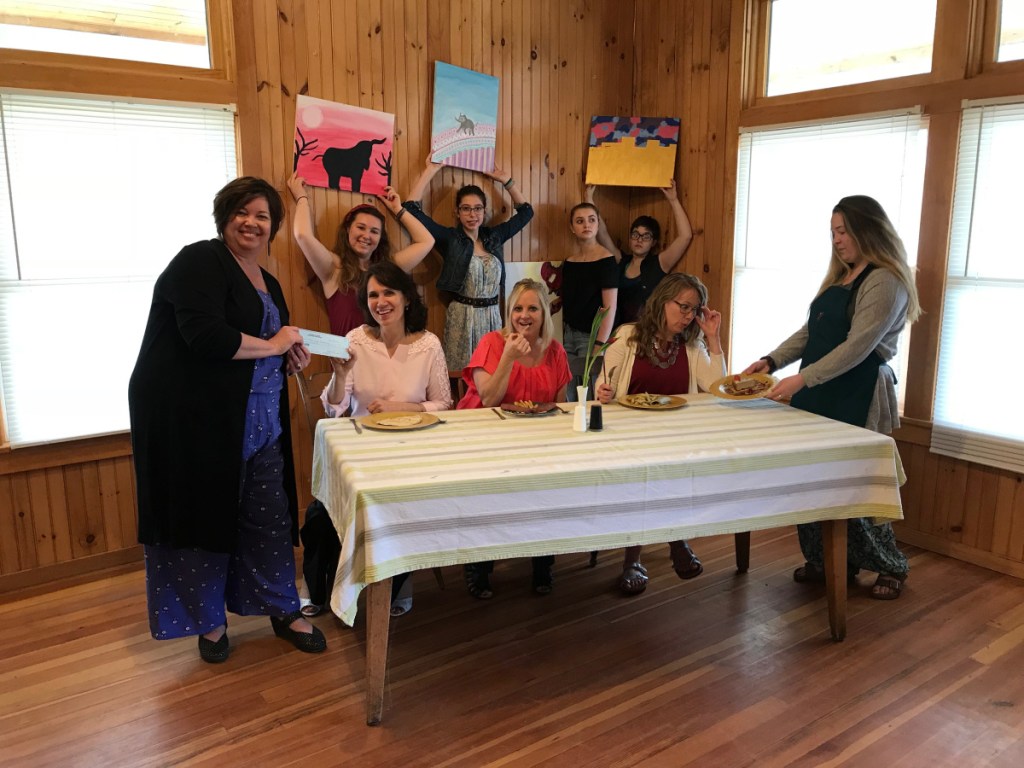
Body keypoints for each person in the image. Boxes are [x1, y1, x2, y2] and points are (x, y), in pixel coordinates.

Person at [129, 176, 326, 664]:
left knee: (270, 518)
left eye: (263, 216)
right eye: (243, 212)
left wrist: (288, 357)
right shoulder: (199, 260)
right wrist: (276, 345)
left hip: (260, 421)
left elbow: (269, 344)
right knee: (203, 517)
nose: (252, 223)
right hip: (198, 423)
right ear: (224, 217)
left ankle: (283, 608)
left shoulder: (269, 280)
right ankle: (209, 622)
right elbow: (206, 338)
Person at [743, 195, 921, 600]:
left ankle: (890, 565)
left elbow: (857, 347)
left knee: (855, 482)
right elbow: (811, 333)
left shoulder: (885, 279)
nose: (837, 240)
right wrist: (771, 361)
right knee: (813, 478)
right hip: (821, 388)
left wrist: (801, 379)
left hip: (855, 392)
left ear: (868, 230)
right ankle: (829, 561)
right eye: (833, 232)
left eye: (844, 231)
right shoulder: (841, 276)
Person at [321, 260, 453, 615]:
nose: (381, 301)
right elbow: (334, 408)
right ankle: (330, 589)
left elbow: (444, 403)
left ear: (407, 297)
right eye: (373, 294)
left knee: (403, 502)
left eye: (389, 292)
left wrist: (401, 406)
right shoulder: (355, 340)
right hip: (366, 447)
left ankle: (398, 582)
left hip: (416, 448)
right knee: (322, 511)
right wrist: (339, 375)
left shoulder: (429, 344)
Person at [596, 273, 726, 595]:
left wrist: (713, 338)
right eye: (683, 307)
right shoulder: (627, 336)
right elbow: (603, 384)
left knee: (665, 469)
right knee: (645, 473)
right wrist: (604, 392)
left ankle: (639, 558)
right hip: (627, 435)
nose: (687, 316)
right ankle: (663, 545)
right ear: (662, 300)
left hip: (674, 436)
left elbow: (716, 388)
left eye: (693, 310)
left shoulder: (693, 345)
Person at [456, 279, 572, 598]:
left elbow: (561, 406)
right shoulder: (493, 343)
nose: (524, 315)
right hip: (484, 436)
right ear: (508, 313)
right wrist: (508, 356)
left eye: (532, 308)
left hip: (534, 438)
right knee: (487, 490)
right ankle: (479, 564)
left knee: (549, 485)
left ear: (544, 313)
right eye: (517, 308)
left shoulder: (555, 351)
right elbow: (490, 398)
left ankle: (542, 561)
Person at [402, 156, 535, 372]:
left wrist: (505, 180)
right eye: (466, 209)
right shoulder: (450, 239)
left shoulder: (494, 236)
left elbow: (527, 212)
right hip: (462, 318)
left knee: (495, 372)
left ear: (484, 211)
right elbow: (410, 208)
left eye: (478, 208)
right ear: (457, 212)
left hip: (493, 315)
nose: (472, 214)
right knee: (462, 375)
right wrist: (431, 169)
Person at [287, 173, 435, 336]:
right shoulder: (334, 269)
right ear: (348, 229)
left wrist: (398, 210)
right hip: (347, 361)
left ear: (380, 238)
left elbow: (426, 241)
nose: (366, 235)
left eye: (374, 231)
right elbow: (303, 235)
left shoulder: (388, 270)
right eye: (361, 227)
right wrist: (301, 198)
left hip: (385, 358)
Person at [586, 180, 694, 326]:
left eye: (646, 236)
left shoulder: (659, 264)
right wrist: (589, 199)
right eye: (635, 234)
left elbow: (685, 236)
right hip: (616, 333)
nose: (639, 240)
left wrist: (673, 200)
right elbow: (602, 233)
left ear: (653, 242)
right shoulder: (621, 261)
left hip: (644, 333)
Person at [561, 202, 618, 401]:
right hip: (569, 334)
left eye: (591, 220)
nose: (586, 225)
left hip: (592, 336)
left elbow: (609, 309)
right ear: (572, 228)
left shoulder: (606, 260)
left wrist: (599, 345)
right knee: (569, 391)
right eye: (580, 221)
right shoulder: (569, 262)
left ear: (598, 224)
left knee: (591, 390)